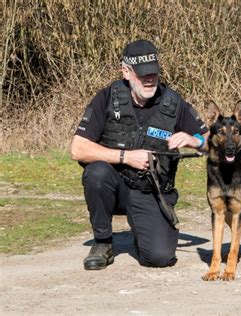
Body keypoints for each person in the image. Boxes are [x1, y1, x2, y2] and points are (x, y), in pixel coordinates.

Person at [70, 39, 209, 270]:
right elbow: (78, 149)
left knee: (159, 257)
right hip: (115, 187)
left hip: (151, 191)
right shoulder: (106, 98)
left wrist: (196, 141)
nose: (149, 79)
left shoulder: (173, 102)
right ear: (126, 72)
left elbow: (214, 142)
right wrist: (126, 157)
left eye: (153, 73)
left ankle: (143, 229)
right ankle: (103, 242)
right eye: (143, 74)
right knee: (97, 172)